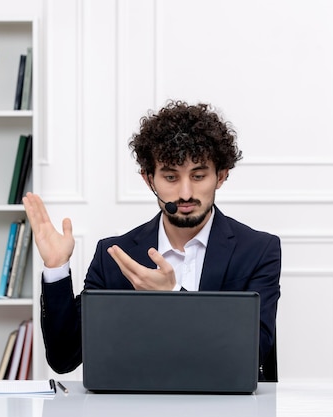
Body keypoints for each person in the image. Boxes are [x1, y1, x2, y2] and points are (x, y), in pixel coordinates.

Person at [22, 100, 281, 380]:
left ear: (221, 176)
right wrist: (56, 269)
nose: (184, 193)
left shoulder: (258, 250)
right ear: (149, 180)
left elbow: (253, 354)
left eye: (198, 176)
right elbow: (64, 358)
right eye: (171, 176)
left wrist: (171, 297)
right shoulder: (115, 255)